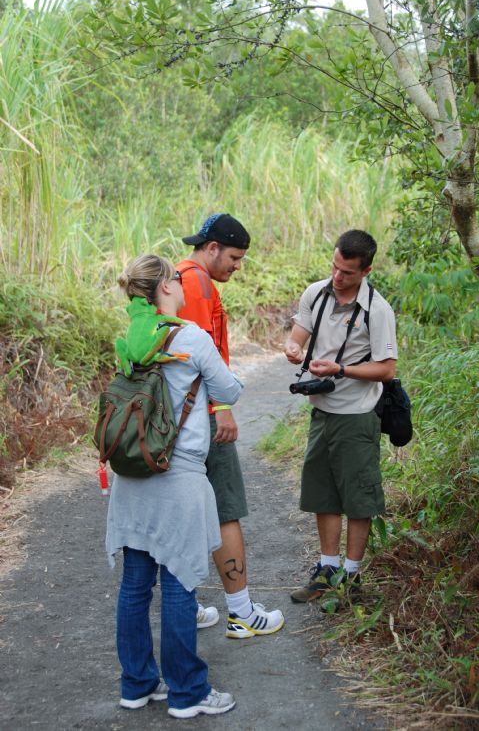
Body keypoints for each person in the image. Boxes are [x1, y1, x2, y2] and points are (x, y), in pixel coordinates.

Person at [106, 254, 242, 718]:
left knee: (136, 584)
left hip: (133, 474)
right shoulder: (191, 338)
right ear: (164, 287)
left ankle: (138, 683)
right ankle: (187, 692)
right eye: (177, 282)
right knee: (180, 584)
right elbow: (230, 390)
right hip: (177, 474)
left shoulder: (130, 340)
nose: (183, 288)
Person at [177, 213, 284, 639]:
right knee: (226, 510)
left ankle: (183, 607)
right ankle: (241, 611)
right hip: (201, 417)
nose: (238, 266)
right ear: (212, 248)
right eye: (235, 257)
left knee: (183, 511)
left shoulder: (172, 278)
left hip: (176, 418)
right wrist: (222, 406)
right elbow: (200, 357)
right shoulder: (198, 284)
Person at [284, 230, 398, 602]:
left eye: (347, 272)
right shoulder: (316, 292)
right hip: (322, 412)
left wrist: (341, 369)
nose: (337, 276)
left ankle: (351, 576)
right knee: (323, 492)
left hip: (357, 413)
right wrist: (293, 345)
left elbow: (386, 369)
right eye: (334, 266)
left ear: (366, 270)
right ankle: (327, 570)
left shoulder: (377, 310)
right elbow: (301, 329)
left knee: (358, 495)